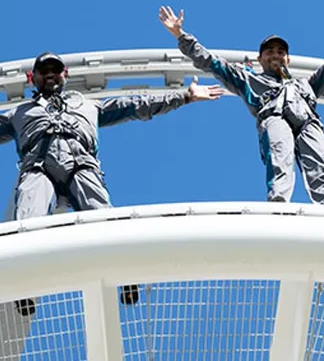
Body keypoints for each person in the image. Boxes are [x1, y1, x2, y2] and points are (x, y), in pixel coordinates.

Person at [0, 51, 222, 309]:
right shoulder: (18, 114)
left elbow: (135, 105)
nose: (50, 74)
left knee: (101, 217)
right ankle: (25, 284)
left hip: (80, 165)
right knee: (27, 219)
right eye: (43, 70)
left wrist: (183, 96)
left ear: (65, 74)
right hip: (38, 167)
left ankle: (126, 277)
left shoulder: (87, 105)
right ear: (33, 77)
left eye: (55, 69)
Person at [159, 1, 324, 205]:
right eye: (270, 52)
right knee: (280, 154)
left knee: (316, 162)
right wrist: (181, 36)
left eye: (281, 52)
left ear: (288, 59)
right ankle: (278, 200)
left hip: (306, 120)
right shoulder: (249, 80)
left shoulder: (307, 84)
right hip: (274, 117)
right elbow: (211, 62)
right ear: (259, 60)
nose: (276, 55)